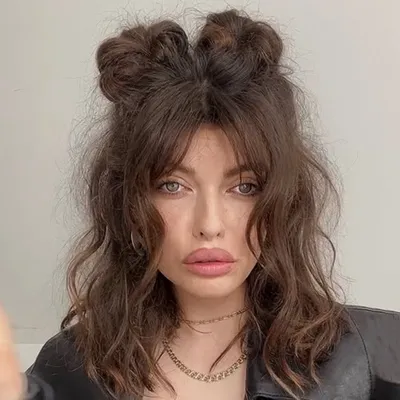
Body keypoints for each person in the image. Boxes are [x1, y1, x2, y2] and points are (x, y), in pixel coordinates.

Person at [0, 8, 399, 400]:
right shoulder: (70, 370)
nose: (210, 224)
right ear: (130, 204)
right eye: (173, 186)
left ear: (281, 200)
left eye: (244, 187)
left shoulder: (359, 356)